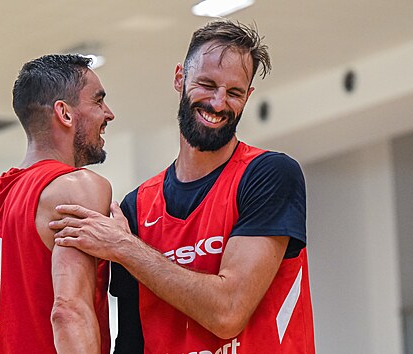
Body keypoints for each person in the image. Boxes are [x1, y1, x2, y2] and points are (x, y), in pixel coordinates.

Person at [51, 20, 315, 353]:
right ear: (180, 78)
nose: (218, 104)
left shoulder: (269, 174)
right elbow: (132, 340)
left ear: (248, 97)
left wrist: (126, 248)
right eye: (207, 84)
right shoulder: (136, 207)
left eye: (234, 93)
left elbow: (228, 311)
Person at [0, 54, 114, 354]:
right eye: (97, 102)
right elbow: (68, 312)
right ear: (64, 114)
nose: (108, 113)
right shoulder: (77, 188)